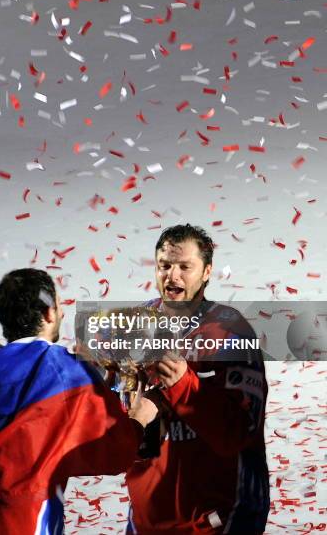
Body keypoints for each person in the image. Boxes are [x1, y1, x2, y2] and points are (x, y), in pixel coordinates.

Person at [0, 268, 157, 535]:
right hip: (22, 521)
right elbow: (113, 453)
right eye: (58, 305)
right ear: (48, 313)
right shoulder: (61, 368)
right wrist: (138, 423)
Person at [126, 224, 270, 535]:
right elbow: (121, 427)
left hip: (218, 521)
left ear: (206, 272)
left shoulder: (232, 332)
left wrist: (182, 385)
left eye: (184, 267)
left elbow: (239, 433)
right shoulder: (134, 328)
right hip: (146, 519)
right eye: (165, 265)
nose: (172, 276)